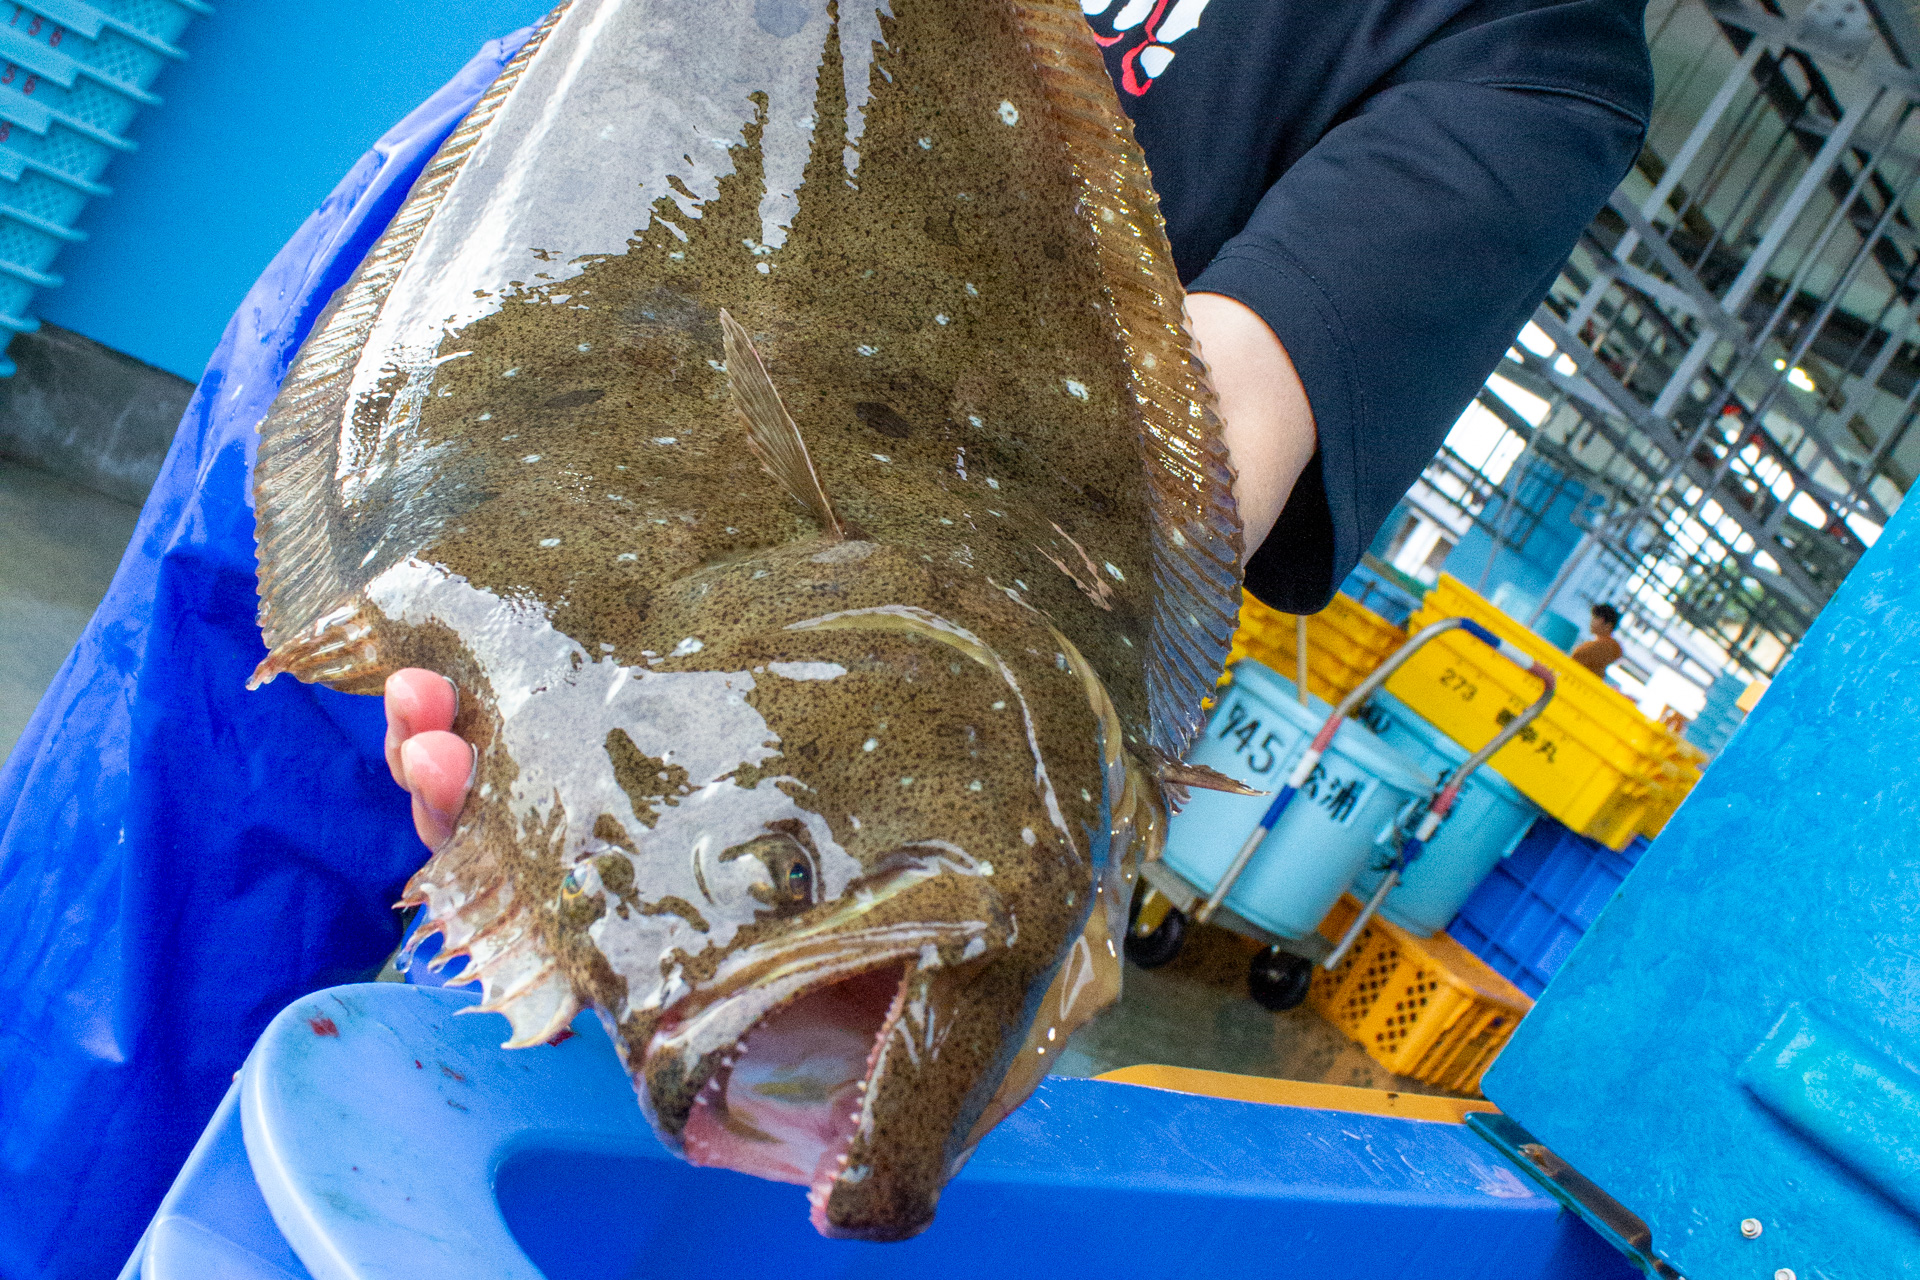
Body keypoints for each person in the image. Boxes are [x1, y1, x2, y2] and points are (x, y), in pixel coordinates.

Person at [0, 4, 1652, 1274]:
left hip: (875, 527)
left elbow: (1189, 450)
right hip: (509, 276)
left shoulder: (1526, 48)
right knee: (145, 901)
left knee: (529, 1119)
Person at [1572, 603, 1626, 678]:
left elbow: (1575, 660)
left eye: (1596, 618)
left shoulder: (1602, 647)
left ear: (1608, 625)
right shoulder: (1609, 648)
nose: (1591, 621)